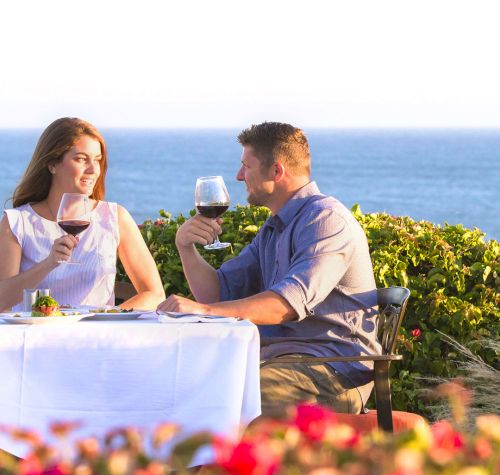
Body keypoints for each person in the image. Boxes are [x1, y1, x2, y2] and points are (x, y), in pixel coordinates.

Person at [157, 122, 380, 416]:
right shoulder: (275, 228)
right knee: (178, 385)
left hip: (331, 373)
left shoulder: (326, 221)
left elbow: (286, 304)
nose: (238, 176)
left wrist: (203, 311)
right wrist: (185, 247)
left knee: (228, 400)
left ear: (276, 171)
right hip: (281, 362)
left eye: (245, 166)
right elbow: (216, 293)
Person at [0, 117, 165, 312]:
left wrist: (104, 317)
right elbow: (2, 301)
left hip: (97, 338)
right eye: (81, 159)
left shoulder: (114, 217)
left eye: (97, 160)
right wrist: (48, 264)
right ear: (52, 164)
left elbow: (154, 295)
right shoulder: (17, 222)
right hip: (38, 338)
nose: (93, 169)